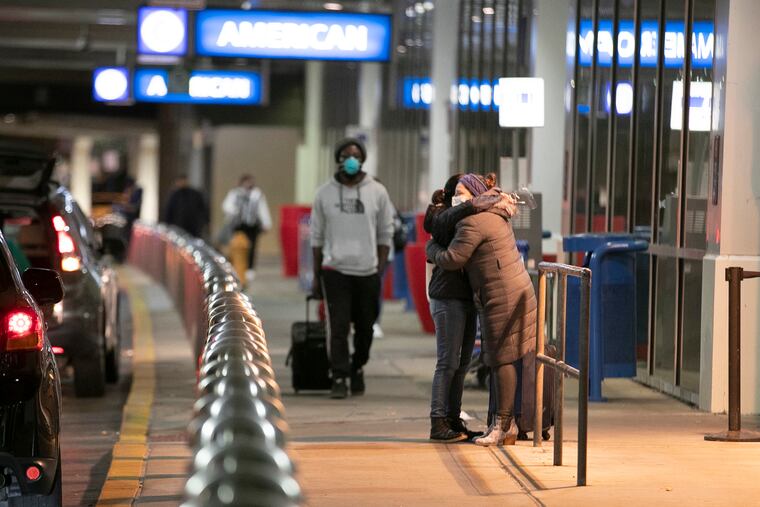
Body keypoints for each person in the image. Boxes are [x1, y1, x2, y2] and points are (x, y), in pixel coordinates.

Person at [426, 173, 536, 446]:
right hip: (452, 296)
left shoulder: (475, 219)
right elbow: (438, 230)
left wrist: (431, 248)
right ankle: (441, 421)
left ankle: (464, 420)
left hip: (486, 295)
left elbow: (453, 257)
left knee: (470, 362)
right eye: (457, 192)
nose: (459, 197)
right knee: (451, 362)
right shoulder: (464, 216)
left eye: (465, 192)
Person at [310, 137, 394, 399]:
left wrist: (379, 268)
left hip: (367, 272)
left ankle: (357, 366)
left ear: (363, 159)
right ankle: (339, 375)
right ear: (338, 159)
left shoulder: (377, 192)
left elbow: (385, 233)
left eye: (356, 155)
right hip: (334, 270)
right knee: (338, 326)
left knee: (366, 328)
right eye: (346, 154)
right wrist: (317, 275)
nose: (351, 159)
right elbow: (316, 237)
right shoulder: (324, 193)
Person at [221, 174, 272, 282]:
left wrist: (266, 223)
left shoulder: (257, 195)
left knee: (251, 247)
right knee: (236, 246)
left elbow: (262, 209)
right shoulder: (235, 193)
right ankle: (234, 266)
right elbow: (226, 206)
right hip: (238, 225)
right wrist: (235, 211)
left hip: (252, 226)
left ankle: (249, 269)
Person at [164, 174, 209, 238]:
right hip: (178, 226)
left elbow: (203, 209)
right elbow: (169, 211)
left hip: (193, 227)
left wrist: (204, 222)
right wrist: (168, 225)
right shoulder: (174, 195)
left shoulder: (195, 194)